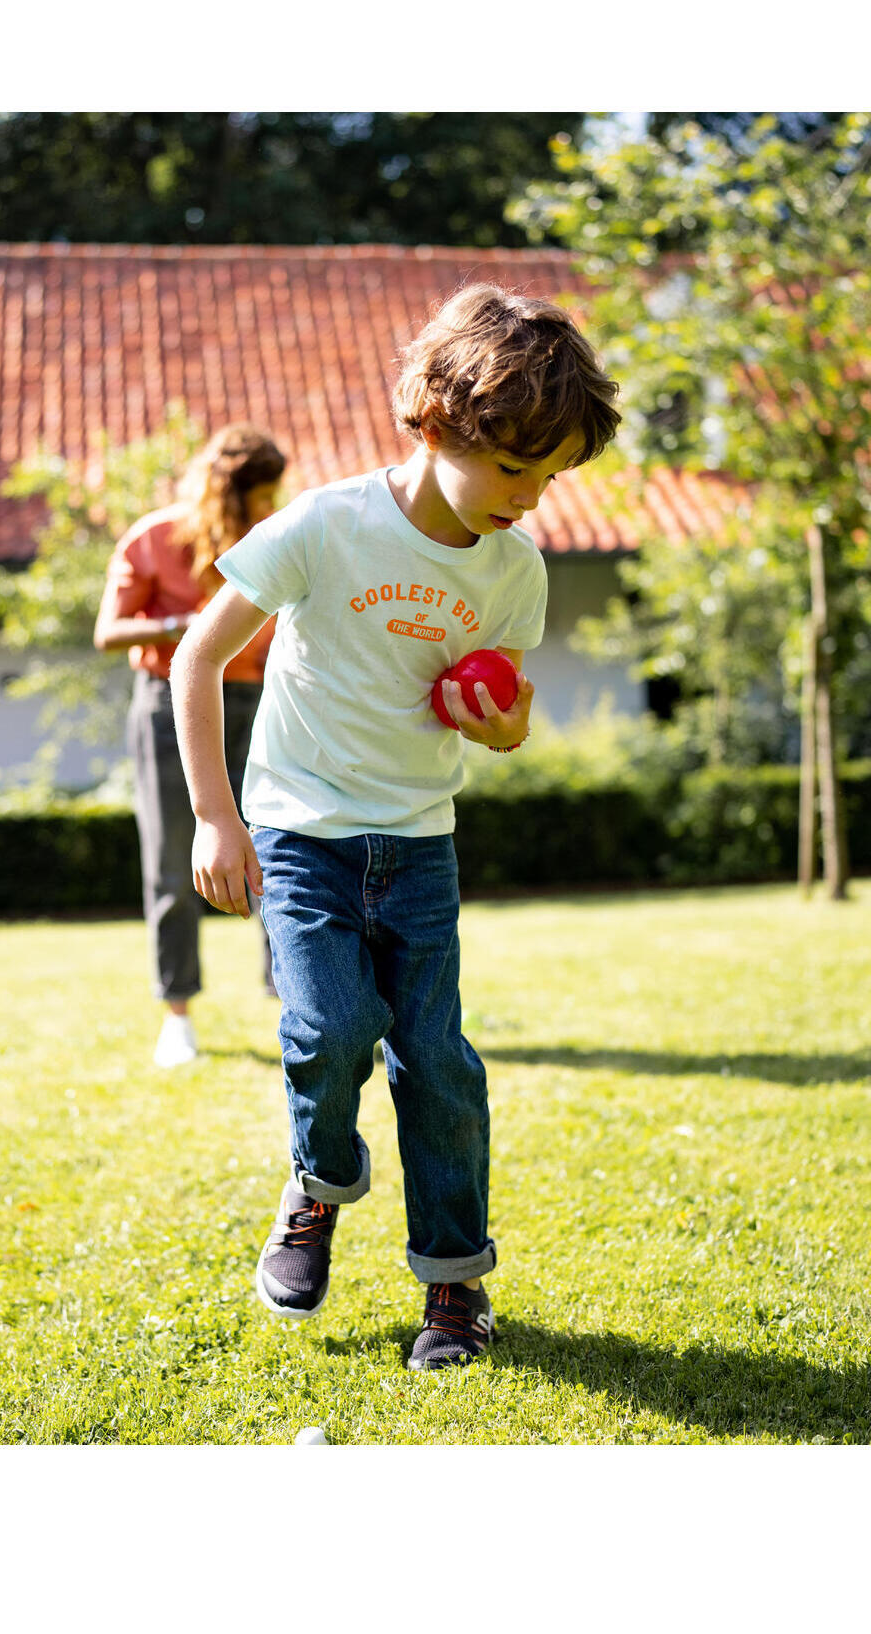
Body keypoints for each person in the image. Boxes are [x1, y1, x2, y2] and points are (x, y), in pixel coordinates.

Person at [170, 283, 621, 1369]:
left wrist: (497, 717)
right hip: (296, 832)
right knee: (326, 1030)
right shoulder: (326, 525)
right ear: (433, 422)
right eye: (513, 466)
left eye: (549, 475)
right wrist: (211, 819)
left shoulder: (513, 569)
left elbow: (505, 723)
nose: (530, 496)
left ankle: (454, 1286)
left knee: (436, 1060)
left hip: (417, 841)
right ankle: (316, 1186)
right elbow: (194, 656)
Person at [95, 424, 287, 1067]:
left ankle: (295, 997)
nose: (270, 508)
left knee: (279, 853)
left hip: (259, 702)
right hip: (168, 706)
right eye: (261, 497)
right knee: (174, 862)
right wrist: (190, 626)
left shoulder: (273, 540)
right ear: (228, 494)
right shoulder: (152, 538)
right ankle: (177, 1015)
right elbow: (108, 632)